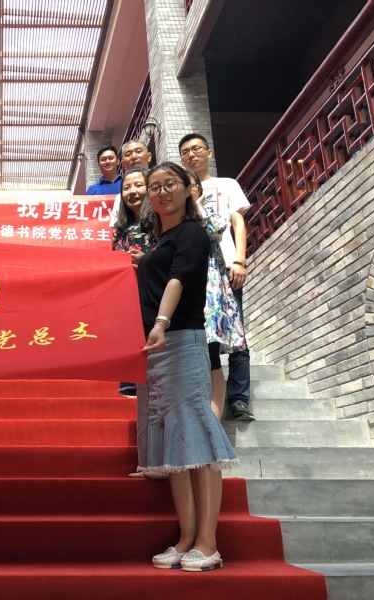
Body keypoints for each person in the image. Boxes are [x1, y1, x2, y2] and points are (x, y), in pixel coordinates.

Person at [138, 162, 238, 572]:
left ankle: (208, 543)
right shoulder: (159, 240)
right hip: (155, 347)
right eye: (155, 187)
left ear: (187, 189)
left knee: (196, 434)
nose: (162, 192)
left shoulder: (192, 232)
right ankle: (185, 538)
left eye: (170, 184)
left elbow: (178, 279)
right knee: (174, 444)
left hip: (180, 339)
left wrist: (161, 323)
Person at [179, 133, 254, 421]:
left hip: (226, 267)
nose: (191, 155)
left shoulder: (226, 184)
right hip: (198, 271)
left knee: (236, 332)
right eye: (185, 151)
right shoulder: (182, 190)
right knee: (205, 335)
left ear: (208, 152)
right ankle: (208, 398)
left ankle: (239, 399)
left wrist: (240, 260)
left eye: (196, 149)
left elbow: (238, 222)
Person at [186, 171, 246, 418]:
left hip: (208, 293)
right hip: (179, 293)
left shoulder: (207, 214)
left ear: (198, 191)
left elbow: (216, 229)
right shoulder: (167, 218)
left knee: (210, 353)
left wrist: (197, 208)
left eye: (190, 186)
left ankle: (213, 420)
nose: (185, 190)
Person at [112, 168, 155, 399]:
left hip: (153, 297)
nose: (132, 192)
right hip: (129, 301)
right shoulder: (122, 230)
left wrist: (146, 261)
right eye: (126, 187)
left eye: (138, 185)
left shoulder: (159, 222)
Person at [109, 139, 152, 228]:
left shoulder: (162, 184)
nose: (134, 157)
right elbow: (116, 230)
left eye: (138, 152)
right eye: (128, 154)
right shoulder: (120, 198)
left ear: (149, 156)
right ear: (123, 164)